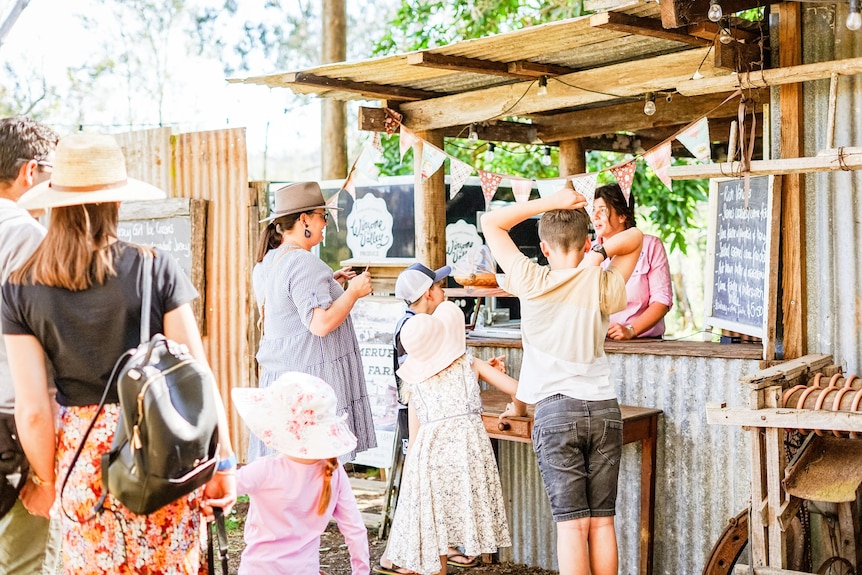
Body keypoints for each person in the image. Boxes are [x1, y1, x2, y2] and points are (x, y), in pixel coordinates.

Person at [1, 133, 237, 574]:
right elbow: (198, 375)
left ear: (54, 201)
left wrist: (47, 481)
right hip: (159, 449)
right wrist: (222, 460)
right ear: (118, 202)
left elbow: (32, 410)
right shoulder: (155, 266)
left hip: (82, 459)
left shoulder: (20, 286)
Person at [481, 186, 643, 575]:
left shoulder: (530, 279)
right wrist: (599, 255)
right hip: (604, 409)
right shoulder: (600, 282)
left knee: (572, 526)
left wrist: (551, 201)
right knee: (602, 521)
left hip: (556, 413)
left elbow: (491, 221)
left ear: (544, 248)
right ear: (587, 241)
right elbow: (637, 238)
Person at [384, 300, 517, 575]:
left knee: (436, 537)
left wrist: (411, 486)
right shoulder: (469, 365)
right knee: (456, 524)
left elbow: (415, 435)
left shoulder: (415, 383)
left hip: (428, 460)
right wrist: (517, 408)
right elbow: (519, 389)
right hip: (466, 457)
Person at [250, 181, 376, 463]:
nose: (326, 223)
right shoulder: (303, 262)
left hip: (287, 383)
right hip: (309, 388)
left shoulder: (274, 259)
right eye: (323, 215)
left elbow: (289, 307)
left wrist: (330, 281)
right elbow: (320, 324)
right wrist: (354, 292)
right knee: (317, 475)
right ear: (304, 218)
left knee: (291, 475)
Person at [0, 116, 62, 575]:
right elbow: (47, 343)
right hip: (14, 425)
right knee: (23, 562)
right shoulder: (26, 236)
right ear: (30, 172)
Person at [232, 371, 370, 575]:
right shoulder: (334, 470)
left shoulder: (264, 470)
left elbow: (218, 489)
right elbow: (355, 528)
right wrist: (361, 571)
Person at [592, 183, 672, 340]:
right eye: (594, 210)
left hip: (644, 343)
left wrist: (631, 330)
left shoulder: (650, 246)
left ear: (622, 215)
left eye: (602, 210)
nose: (595, 216)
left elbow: (662, 300)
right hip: (600, 343)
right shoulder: (589, 250)